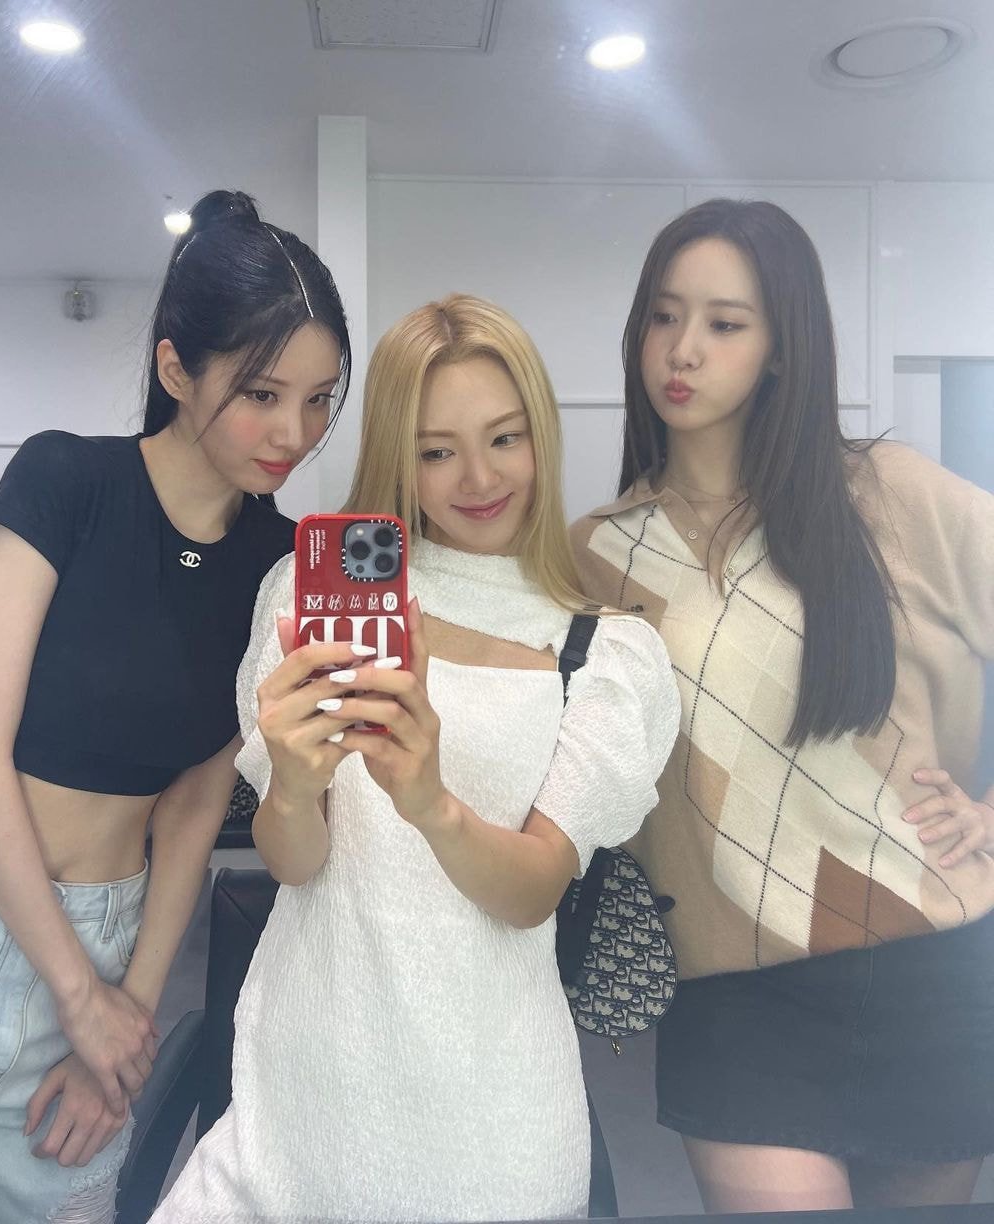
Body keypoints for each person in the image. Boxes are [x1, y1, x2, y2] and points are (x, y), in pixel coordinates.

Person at [153, 293, 680, 1222]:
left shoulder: (603, 655)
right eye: (437, 451)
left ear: (542, 437)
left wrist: (430, 800)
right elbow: (295, 863)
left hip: (492, 1130)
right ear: (400, 454)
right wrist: (295, 785)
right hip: (298, 1101)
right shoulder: (311, 598)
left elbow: (533, 893)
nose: (478, 477)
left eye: (505, 438)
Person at [0, 189, 350, 1224]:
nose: (294, 432)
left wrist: (126, 1014)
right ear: (175, 369)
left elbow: (194, 806)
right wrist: (80, 998)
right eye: (261, 393)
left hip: (110, 940)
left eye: (320, 399)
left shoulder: (280, 564)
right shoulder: (63, 480)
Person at [570, 198, 994, 1214]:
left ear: (781, 350)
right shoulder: (595, 551)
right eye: (663, 316)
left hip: (930, 972)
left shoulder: (888, 495)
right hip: (732, 994)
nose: (682, 349)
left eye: (725, 323)